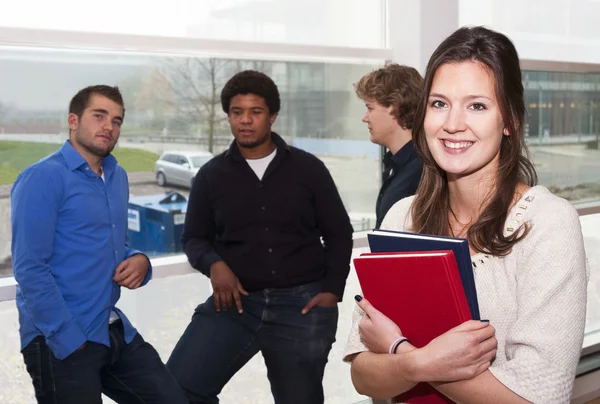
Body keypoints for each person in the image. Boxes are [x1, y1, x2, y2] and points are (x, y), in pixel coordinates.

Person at [343, 26, 589, 403]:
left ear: (510, 120)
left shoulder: (546, 224)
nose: (453, 123)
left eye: (477, 105)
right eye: (439, 103)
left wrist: (402, 354)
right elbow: (362, 373)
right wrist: (416, 362)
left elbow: (538, 398)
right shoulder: (401, 219)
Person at [166, 70, 354, 404]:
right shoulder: (211, 176)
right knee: (176, 388)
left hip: (303, 306)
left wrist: (331, 292)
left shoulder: (308, 169)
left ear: (272, 117)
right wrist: (214, 265)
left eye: (255, 111)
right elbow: (194, 238)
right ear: (228, 117)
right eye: (237, 112)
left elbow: (339, 233)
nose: (245, 121)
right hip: (236, 303)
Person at [11, 85, 189, 404]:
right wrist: (68, 338)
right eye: (99, 115)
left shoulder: (117, 175)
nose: (109, 126)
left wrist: (140, 261)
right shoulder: (42, 178)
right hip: (61, 338)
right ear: (73, 120)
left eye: (117, 120)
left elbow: (115, 244)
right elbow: (29, 269)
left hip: (111, 326)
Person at [355, 63, 424, 227]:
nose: (365, 118)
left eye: (370, 108)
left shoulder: (425, 171)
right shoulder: (396, 165)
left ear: (395, 107)